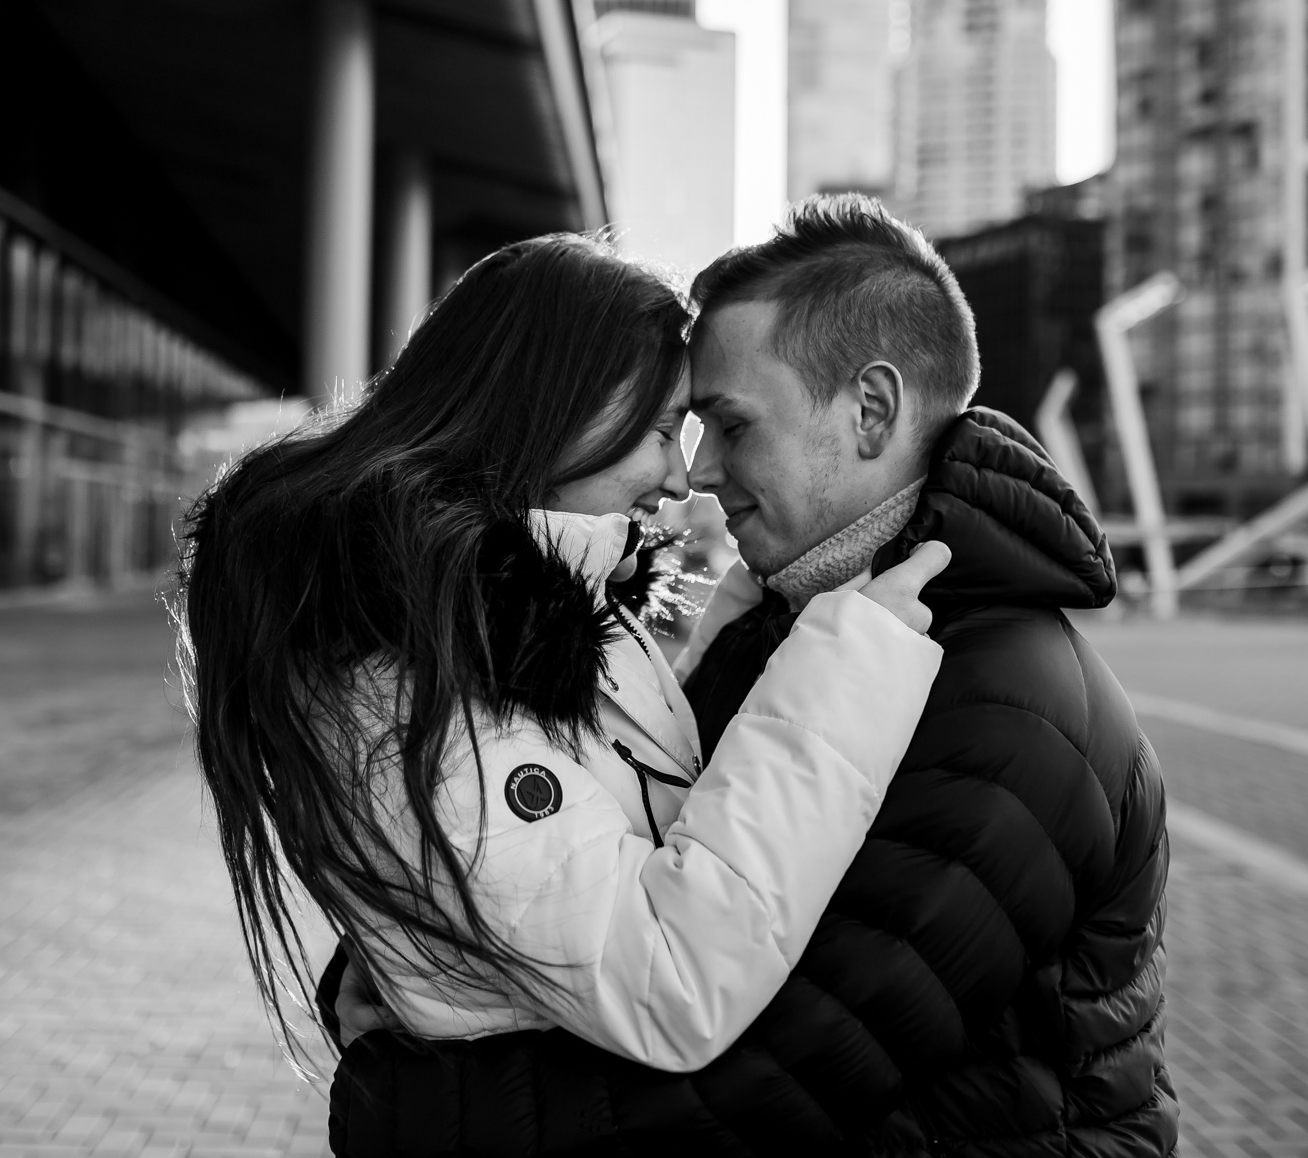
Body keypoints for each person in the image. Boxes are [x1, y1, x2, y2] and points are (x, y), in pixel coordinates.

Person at [327, 196, 1179, 1158]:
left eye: (729, 425)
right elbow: (632, 857)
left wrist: (407, 1098)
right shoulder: (796, 627)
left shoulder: (1004, 711)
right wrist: (422, 943)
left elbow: (779, 1081)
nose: (698, 474)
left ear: (871, 410)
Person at [174, 233, 950, 1087]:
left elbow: (607, 838)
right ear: (548, 406)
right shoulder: (396, 665)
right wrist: (845, 676)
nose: (681, 475)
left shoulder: (531, 600)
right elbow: (673, 981)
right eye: (662, 429)